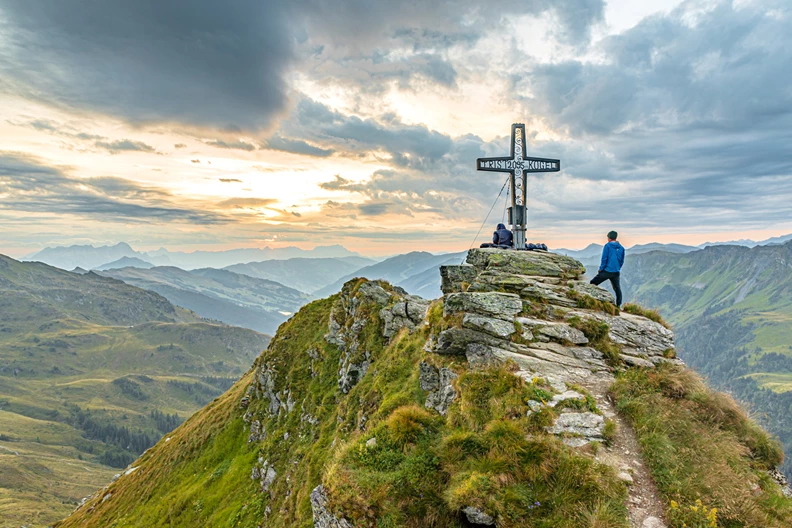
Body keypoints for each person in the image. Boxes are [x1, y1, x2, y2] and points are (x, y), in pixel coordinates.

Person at [590, 230, 625, 308]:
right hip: (616, 272)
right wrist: (618, 268)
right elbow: (622, 261)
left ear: (609, 238)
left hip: (607, 271)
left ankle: (591, 300)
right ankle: (618, 305)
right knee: (617, 288)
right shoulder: (621, 248)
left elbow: (604, 258)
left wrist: (601, 269)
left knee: (593, 283)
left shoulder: (607, 246)